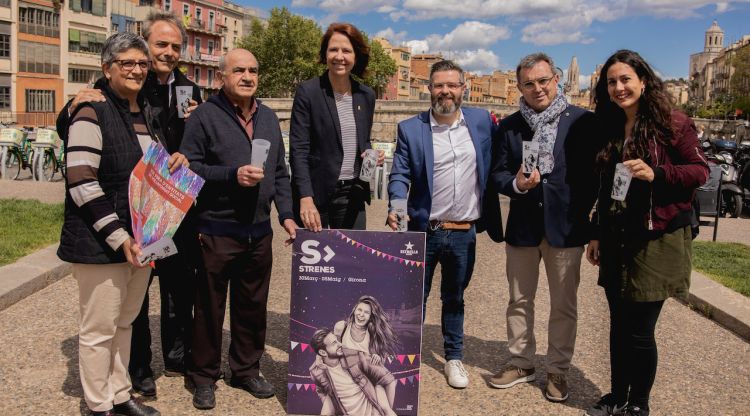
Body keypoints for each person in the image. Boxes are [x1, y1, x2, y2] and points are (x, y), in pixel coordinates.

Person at [56, 10, 202, 396]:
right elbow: (80, 160)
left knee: (158, 299)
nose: (167, 53)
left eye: (175, 46)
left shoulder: (179, 95)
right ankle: (126, 381)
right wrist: (71, 106)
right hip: (117, 225)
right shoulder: (105, 94)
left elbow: (183, 147)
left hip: (163, 218)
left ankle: (152, 371)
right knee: (114, 317)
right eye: (160, 45)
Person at [584, 50, 709, 416]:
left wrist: (658, 173)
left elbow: (699, 172)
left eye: (625, 79)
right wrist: (595, 233)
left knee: (639, 330)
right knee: (618, 326)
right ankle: (618, 395)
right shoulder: (611, 126)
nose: (619, 87)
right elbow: (605, 187)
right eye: (611, 82)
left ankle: (639, 404)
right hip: (616, 235)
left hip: (657, 238)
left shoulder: (674, 123)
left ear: (643, 81)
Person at [179, 47, 298, 410]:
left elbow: (280, 173)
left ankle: (245, 370)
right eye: (239, 71)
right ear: (222, 78)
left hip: (259, 231)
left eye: (253, 71)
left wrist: (286, 215)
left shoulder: (269, 118)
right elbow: (189, 169)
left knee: (252, 306)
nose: (248, 77)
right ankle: (204, 376)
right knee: (210, 308)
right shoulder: (204, 118)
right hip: (216, 229)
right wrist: (232, 175)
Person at [57, 32, 166, 416]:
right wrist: (120, 237)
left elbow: (149, 175)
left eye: (142, 63)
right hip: (101, 242)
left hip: (143, 241)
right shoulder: (91, 109)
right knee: (99, 330)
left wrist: (174, 166)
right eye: (128, 63)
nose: (137, 69)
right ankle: (98, 404)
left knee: (125, 324)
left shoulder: (146, 112)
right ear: (107, 68)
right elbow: (82, 182)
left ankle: (121, 395)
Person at [489, 53, 600, 402]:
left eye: (543, 81)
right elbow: (497, 174)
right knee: (519, 300)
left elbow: (595, 178)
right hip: (523, 226)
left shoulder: (583, 122)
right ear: (519, 87)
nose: (537, 88)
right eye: (528, 83)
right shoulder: (508, 127)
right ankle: (522, 362)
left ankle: (557, 370)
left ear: (556, 80)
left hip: (565, 229)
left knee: (563, 304)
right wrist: (518, 185)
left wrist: (592, 224)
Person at [387, 60, 503, 389]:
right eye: (439, 85)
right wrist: (397, 205)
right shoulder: (411, 128)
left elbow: (501, 156)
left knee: (455, 298)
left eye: (452, 85)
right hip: (425, 230)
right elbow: (400, 173)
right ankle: (404, 357)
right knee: (413, 298)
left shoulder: (481, 122)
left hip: (464, 231)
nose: (445, 91)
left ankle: (454, 358)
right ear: (429, 89)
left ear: (463, 88)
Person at [289, 22, 384, 232]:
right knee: (317, 263)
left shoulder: (366, 95)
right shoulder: (308, 91)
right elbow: (299, 150)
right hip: (316, 192)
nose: (339, 56)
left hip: (353, 192)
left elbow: (363, 140)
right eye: (333, 49)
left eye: (346, 51)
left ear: (356, 56)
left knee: (354, 261)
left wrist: (370, 153)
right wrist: (305, 197)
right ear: (325, 54)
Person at [309, 328, 397, 416]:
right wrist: (332, 407)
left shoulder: (355, 356)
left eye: (337, 340)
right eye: (334, 343)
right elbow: (321, 391)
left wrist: (387, 411)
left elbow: (388, 379)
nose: (340, 344)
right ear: (322, 352)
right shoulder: (316, 371)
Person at [333, 295, 400, 366]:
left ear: (371, 316)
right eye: (359, 310)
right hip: (343, 374)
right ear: (354, 310)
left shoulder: (373, 334)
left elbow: (378, 364)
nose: (361, 314)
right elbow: (333, 353)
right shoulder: (341, 327)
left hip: (365, 376)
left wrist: (378, 358)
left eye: (366, 312)